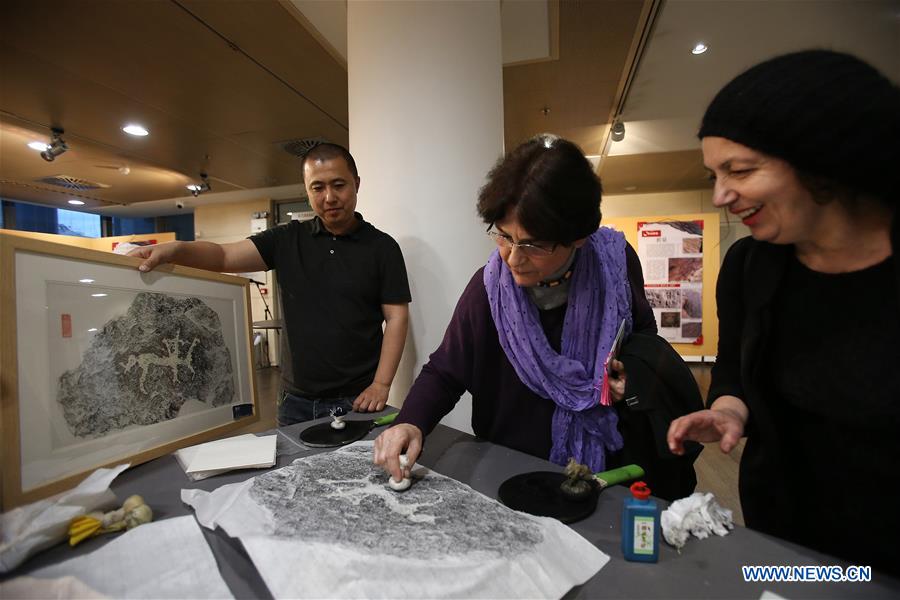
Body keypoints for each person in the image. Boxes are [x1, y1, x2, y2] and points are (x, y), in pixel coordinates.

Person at [666, 50, 900, 573]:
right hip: (785, 543)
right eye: (713, 175)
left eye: (739, 170)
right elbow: (734, 368)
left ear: (822, 159)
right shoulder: (750, 267)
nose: (721, 195)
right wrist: (729, 410)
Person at [374, 135, 699, 499]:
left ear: (578, 236)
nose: (513, 258)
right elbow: (446, 371)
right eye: (504, 236)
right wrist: (410, 423)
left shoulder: (616, 264)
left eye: (533, 244)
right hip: (512, 472)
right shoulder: (489, 291)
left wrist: (631, 373)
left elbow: (642, 336)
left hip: (607, 468)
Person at [130, 143, 411, 425]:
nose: (329, 197)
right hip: (296, 402)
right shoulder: (286, 239)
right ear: (307, 190)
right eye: (318, 187)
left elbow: (396, 317)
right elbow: (224, 256)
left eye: (339, 185)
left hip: (358, 399)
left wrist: (381, 384)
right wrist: (176, 249)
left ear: (356, 184)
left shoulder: (383, 248)